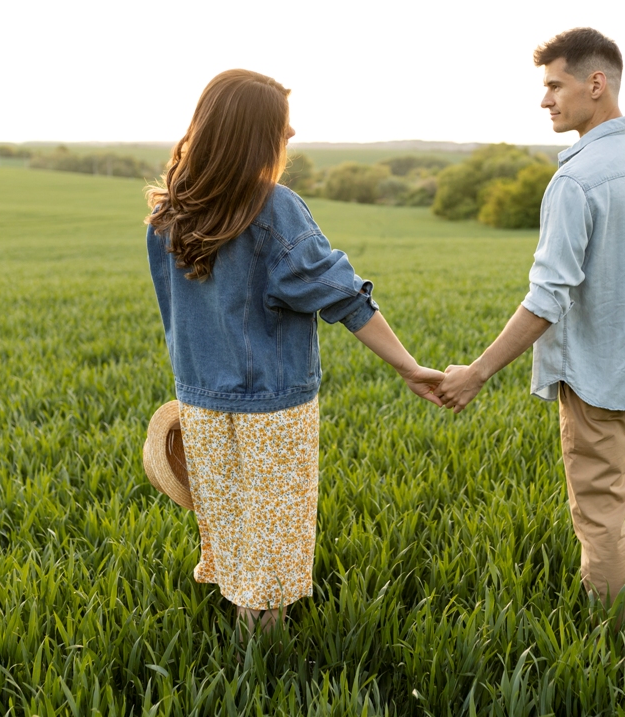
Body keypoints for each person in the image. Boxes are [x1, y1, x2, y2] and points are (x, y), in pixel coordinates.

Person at [145, 69, 445, 635]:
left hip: (203, 404)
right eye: (282, 127)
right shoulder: (273, 208)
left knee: (233, 531)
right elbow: (342, 295)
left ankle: (244, 644)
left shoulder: (168, 214)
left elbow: (175, 319)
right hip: (273, 409)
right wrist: (408, 366)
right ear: (254, 136)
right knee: (275, 545)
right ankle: (267, 668)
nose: (291, 135)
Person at [437, 28, 625, 616]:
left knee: (601, 514)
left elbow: (547, 297)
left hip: (593, 376)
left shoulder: (575, 181)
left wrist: (478, 372)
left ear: (596, 83)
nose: (545, 100)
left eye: (554, 85)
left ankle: (614, 648)